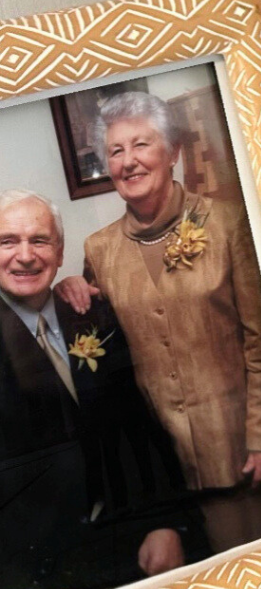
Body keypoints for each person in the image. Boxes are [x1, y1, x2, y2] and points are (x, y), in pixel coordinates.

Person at [57, 91, 261, 552]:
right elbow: (101, 347)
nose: (128, 161)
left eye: (141, 144)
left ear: (172, 151)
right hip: (165, 467)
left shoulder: (228, 224)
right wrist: (65, 286)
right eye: (116, 151)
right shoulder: (99, 250)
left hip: (245, 451)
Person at [0, 189, 206, 588]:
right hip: (35, 562)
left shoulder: (90, 314)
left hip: (124, 534)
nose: (25, 256)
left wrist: (162, 523)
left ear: (60, 252)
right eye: (8, 241)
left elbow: (138, 424)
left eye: (39, 240)